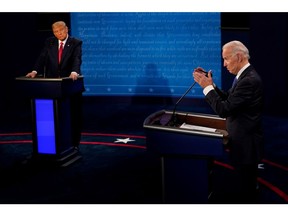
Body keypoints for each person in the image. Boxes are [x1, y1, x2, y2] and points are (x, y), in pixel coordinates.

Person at [193, 40, 264, 203]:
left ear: (238, 57)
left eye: (226, 59)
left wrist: (207, 88)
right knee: (244, 185)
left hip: (246, 144)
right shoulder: (245, 76)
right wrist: (211, 85)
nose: (224, 64)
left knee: (247, 191)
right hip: (243, 141)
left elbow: (224, 109)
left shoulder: (249, 80)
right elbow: (229, 99)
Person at [26, 21, 84, 150]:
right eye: (56, 32)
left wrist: (74, 71)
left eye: (61, 31)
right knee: (55, 117)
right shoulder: (50, 42)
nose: (59, 34)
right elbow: (42, 57)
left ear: (67, 29)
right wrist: (35, 71)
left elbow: (77, 58)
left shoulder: (76, 42)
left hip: (70, 85)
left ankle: (74, 144)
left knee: (73, 116)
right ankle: (56, 144)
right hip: (52, 87)